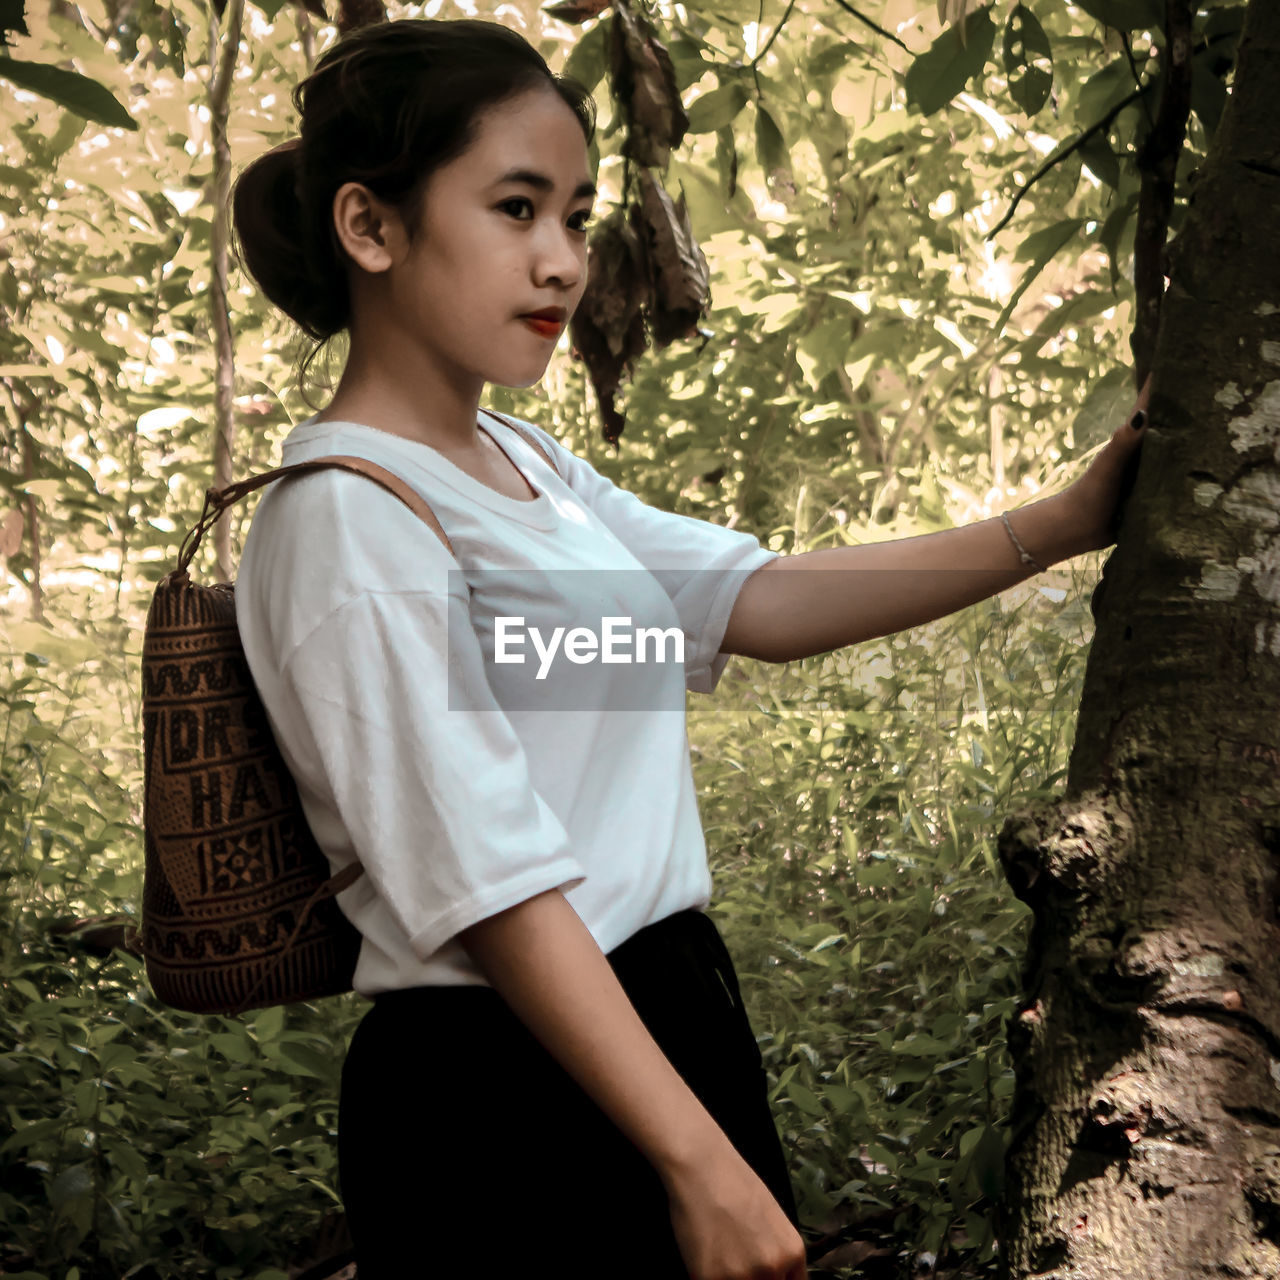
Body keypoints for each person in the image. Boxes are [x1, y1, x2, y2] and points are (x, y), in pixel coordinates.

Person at [229, 17, 1150, 1280]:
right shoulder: (349, 520)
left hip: (655, 1022)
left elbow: (752, 600)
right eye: (513, 208)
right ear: (370, 227)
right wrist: (695, 1161)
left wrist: (1056, 525)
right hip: (507, 1084)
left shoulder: (526, 468)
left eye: (575, 214)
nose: (561, 263)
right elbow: (489, 886)